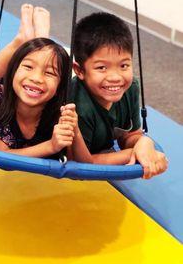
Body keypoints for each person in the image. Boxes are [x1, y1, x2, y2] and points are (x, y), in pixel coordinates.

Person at [0, 4, 93, 160]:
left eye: (50, 72)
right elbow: (2, 155)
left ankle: (37, 42)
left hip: (22, 87)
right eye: (28, 67)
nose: (37, 78)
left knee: (37, 59)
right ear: (12, 71)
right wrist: (51, 146)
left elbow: (81, 163)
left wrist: (74, 131)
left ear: (59, 86)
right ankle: (22, 39)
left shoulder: (60, 111)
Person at [71, 11, 168, 178]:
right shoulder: (78, 103)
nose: (115, 77)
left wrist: (143, 142)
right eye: (102, 67)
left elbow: (129, 135)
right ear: (79, 71)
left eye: (124, 66)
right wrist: (130, 154)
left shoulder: (130, 88)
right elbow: (79, 163)